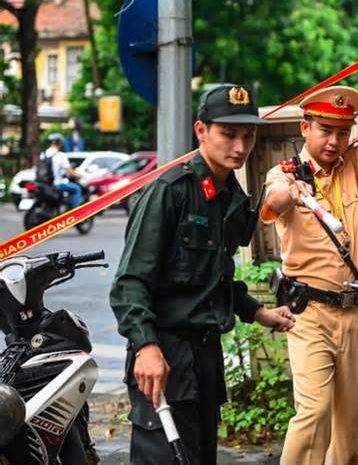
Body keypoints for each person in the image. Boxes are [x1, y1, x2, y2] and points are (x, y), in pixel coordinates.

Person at [110, 84, 295, 465]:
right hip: (163, 353)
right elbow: (130, 282)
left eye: (248, 135)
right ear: (201, 131)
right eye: (228, 134)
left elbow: (216, 275)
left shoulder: (230, 195)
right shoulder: (171, 191)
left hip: (205, 358)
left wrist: (258, 312)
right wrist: (145, 346)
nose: (240, 146)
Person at [260, 41, 358, 465]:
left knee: (351, 424)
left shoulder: (354, 164)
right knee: (314, 411)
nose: (334, 140)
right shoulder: (285, 173)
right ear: (305, 128)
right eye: (325, 129)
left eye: (342, 131)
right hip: (310, 313)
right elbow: (273, 200)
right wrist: (292, 192)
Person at [41, 133, 83, 209]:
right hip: (57, 184)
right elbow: (70, 171)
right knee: (77, 189)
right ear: (60, 143)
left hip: (45, 184)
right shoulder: (61, 155)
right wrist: (81, 176)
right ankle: (76, 213)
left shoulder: (43, 154)